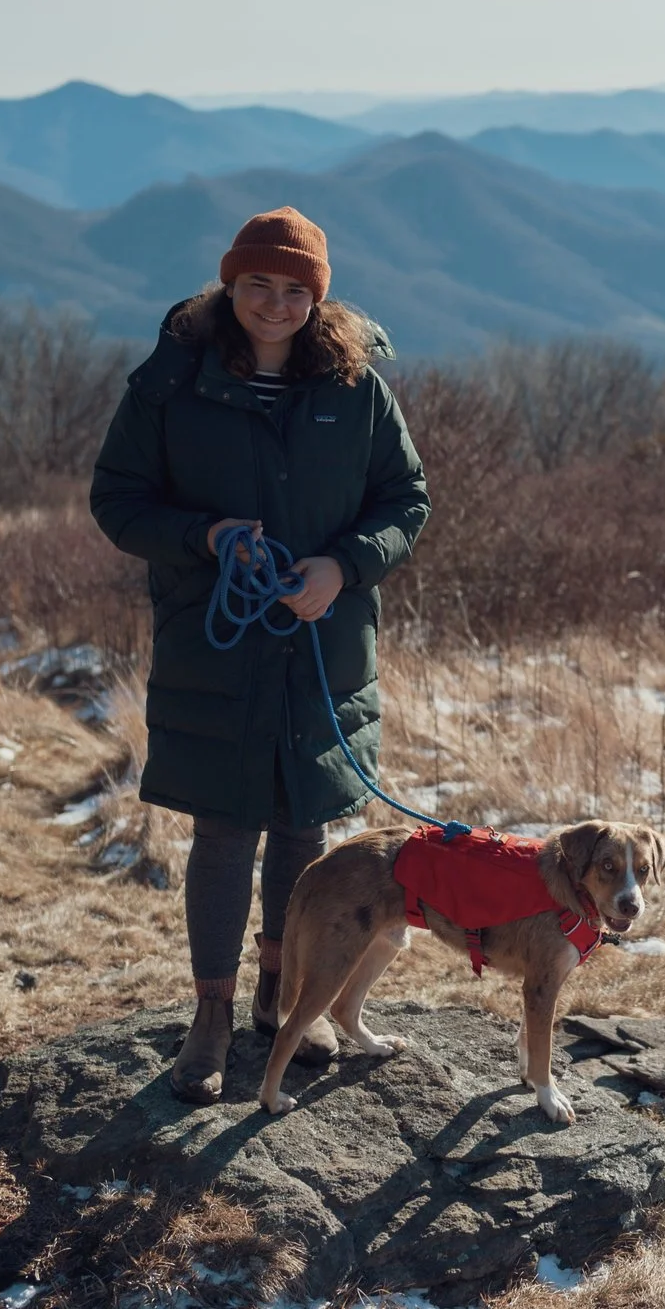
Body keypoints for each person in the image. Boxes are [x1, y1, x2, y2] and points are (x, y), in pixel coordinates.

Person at [90, 207, 430, 1103]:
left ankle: (286, 1001)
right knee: (224, 830)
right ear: (229, 286)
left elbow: (406, 498)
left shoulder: (356, 386)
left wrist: (343, 564)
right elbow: (119, 501)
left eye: (294, 289)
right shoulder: (171, 385)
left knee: (304, 830)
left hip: (325, 638)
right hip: (217, 642)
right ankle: (211, 1014)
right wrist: (205, 536)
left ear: (317, 296)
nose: (274, 304)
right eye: (257, 285)